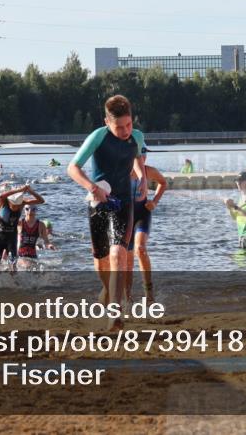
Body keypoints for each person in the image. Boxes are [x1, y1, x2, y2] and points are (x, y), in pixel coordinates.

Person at [67, 94, 146, 331]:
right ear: (106, 122)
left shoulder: (138, 136)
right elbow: (72, 168)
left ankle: (115, 314)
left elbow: (137, 158)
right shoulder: (98, 137)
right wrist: (92, 187)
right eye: (119, 127)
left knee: (118, 254)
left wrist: (142, 178)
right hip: (98, 202)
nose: (125, 131)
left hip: (124, 202)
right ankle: (107, 291)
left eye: (129, 125)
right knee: (102, 262)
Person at [126, 159, 168, 303]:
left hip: (142, 213)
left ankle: (149, 293)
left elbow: (163, 183)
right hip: (124, 216)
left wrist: (154, 202)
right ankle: (127, 296)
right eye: (138, 155)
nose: (141, 158)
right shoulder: (120, 169)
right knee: (127, 257)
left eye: (143, 155)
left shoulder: (149, 170)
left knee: (141, 249)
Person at [0, 184, 44, 274]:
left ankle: (14, 284)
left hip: (12, 238)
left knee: (13, 266)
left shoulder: (22, 203)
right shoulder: (2, 204)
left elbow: (41, 201)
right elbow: (0, 196)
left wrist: (30, 191)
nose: (16, 206)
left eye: (18, 204)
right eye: (14, 204)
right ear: (10, 201)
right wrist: (19, 190)